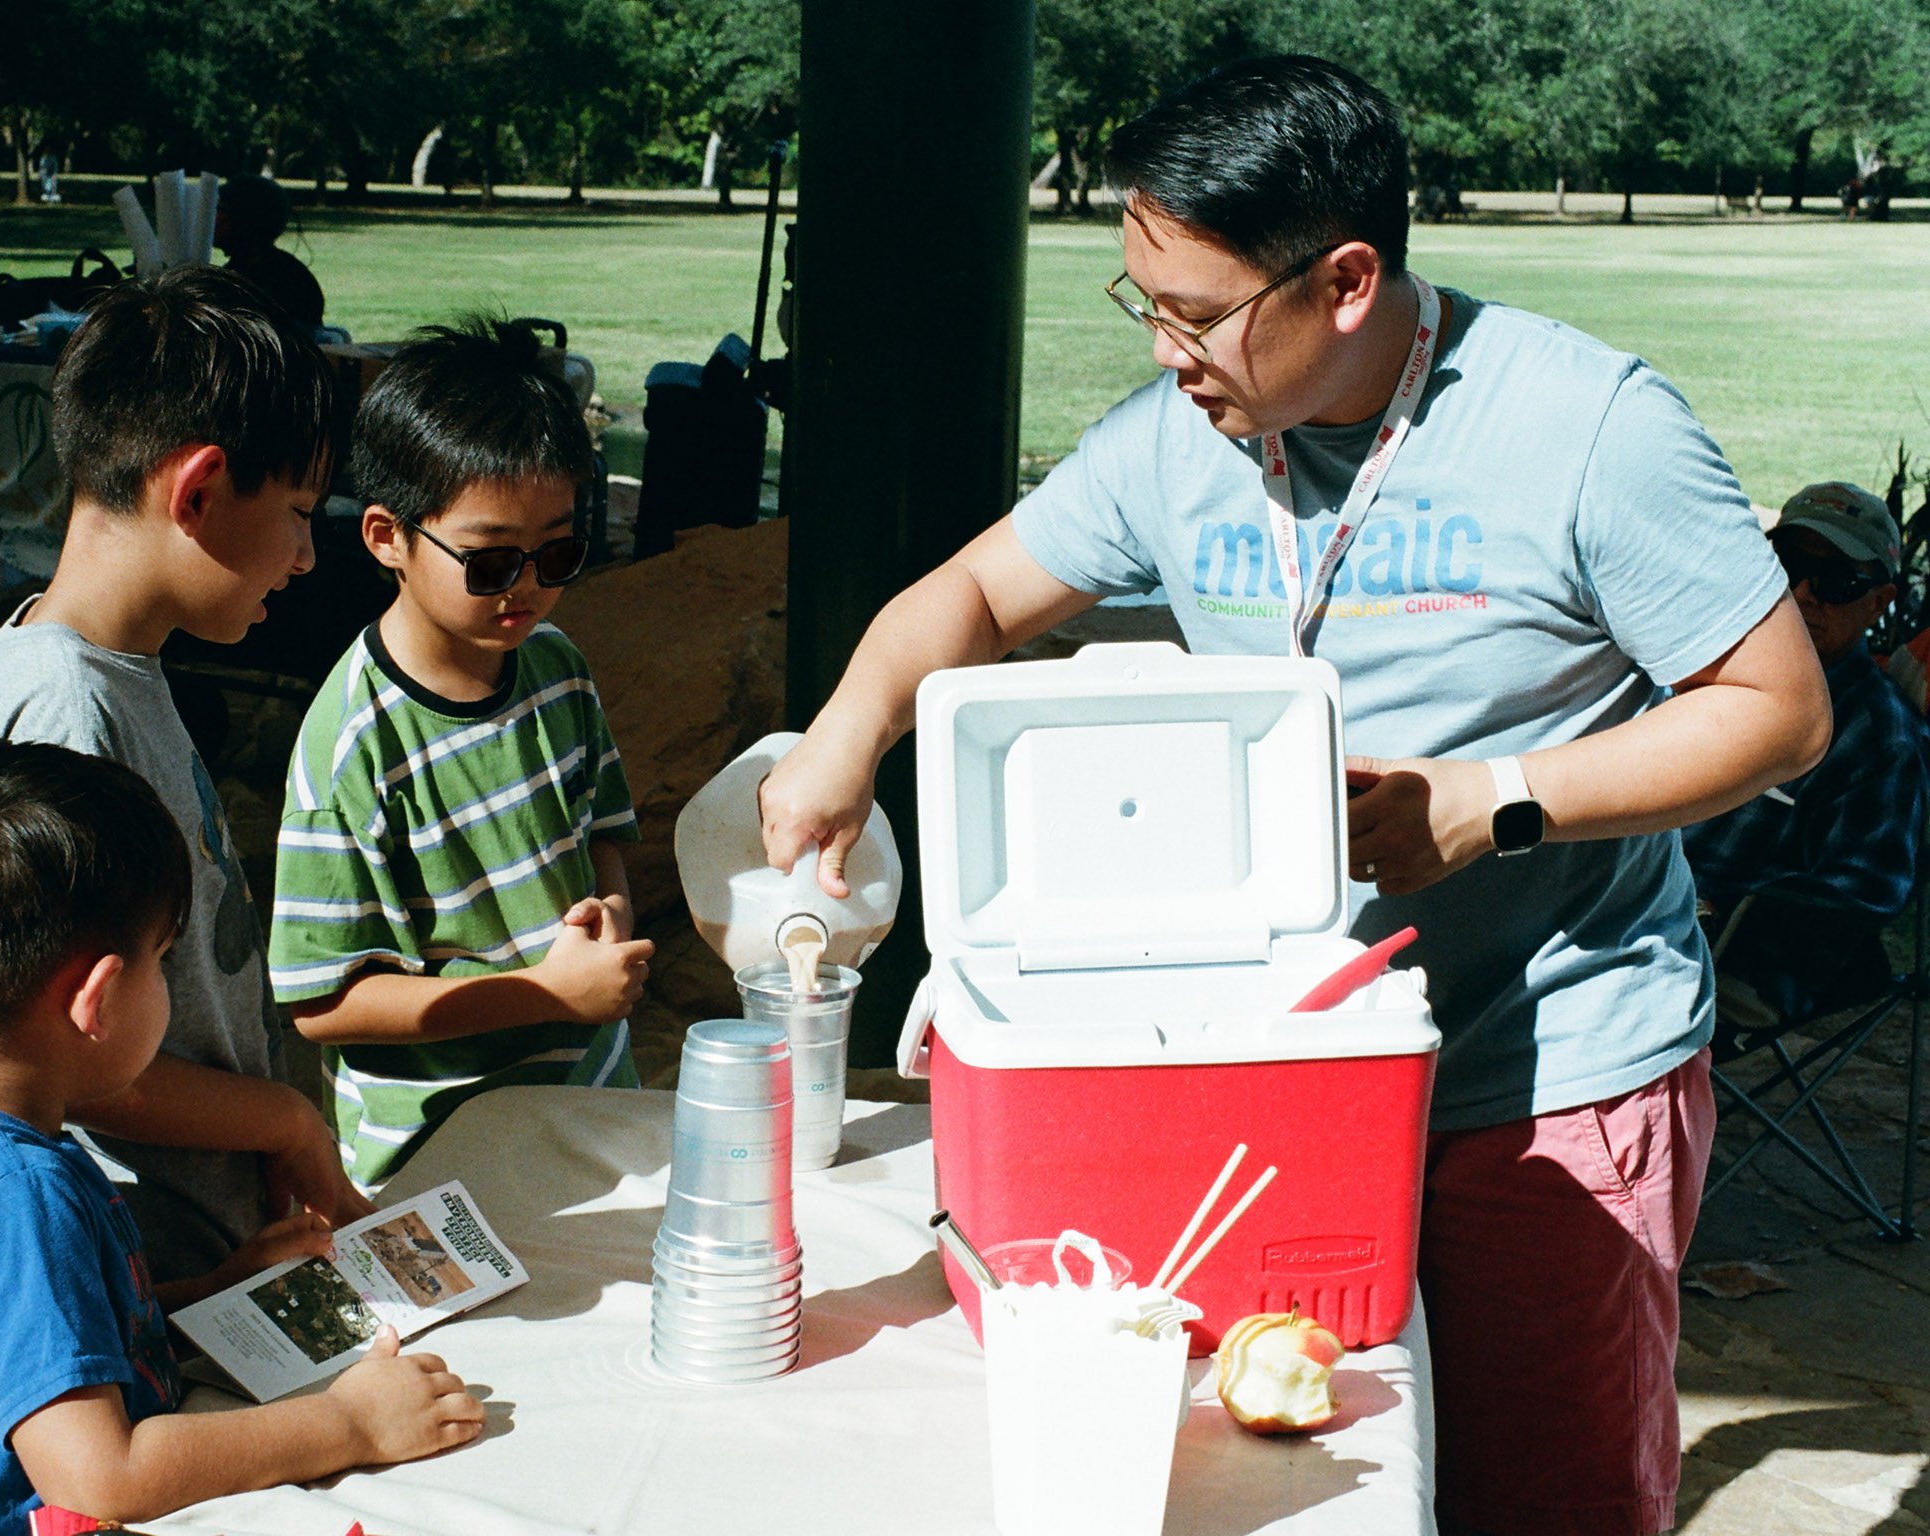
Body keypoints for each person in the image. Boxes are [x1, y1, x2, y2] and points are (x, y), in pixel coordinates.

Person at [757, 56, 1831, 1536]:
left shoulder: (1590, 426)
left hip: (1541, 1079)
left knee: (1551, 1497)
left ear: (1343, 282)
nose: (1164, 355)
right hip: (1278, 1085)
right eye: (1143, 307)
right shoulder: (1176, 444)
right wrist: (843, 734)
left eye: (1195, 315)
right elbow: (972, 597)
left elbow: (1781, 713)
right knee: (1281, 1477)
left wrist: (1490, 802)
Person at [0, 741, 484, 1533]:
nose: (166, 984)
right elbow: (101, 1478)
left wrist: (214, 1291)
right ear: (100, 998)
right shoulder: (17, 1198)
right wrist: (350, 1425)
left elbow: (32, 1342)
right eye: (161, 960)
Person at [0, 264, 374, 1286]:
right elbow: (62, 1054)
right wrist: (280, 1119)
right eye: (298, 513)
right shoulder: (66, 710)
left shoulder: (118, 671)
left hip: (213, 1223)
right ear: (195, 490)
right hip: (154, 1260)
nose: (305, 557)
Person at [269, 316, 651, 1187]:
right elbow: (323, 1001)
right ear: (385, 537)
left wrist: (612, 919)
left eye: (557, 551)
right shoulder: (352, 751)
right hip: (437, 1155)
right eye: (489, 562)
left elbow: (604, 834)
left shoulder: (557, 671)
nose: (528, 586)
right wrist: (545, 997)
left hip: (590, 1099)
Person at [1685, 483, 1925, 1024]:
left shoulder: (1880, 737)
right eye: (1787, 564)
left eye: (1839, 581)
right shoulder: (1707, 668)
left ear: (1879, 602)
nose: (1804, 592)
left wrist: (1715, 910)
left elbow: (1869, 886)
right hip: (1622, 915)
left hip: (1720, 963)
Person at [215, 172, 324, 332]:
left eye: (219, 209)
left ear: (243, 218)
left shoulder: (265, 283)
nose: (212, 216)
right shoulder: (290, 272)